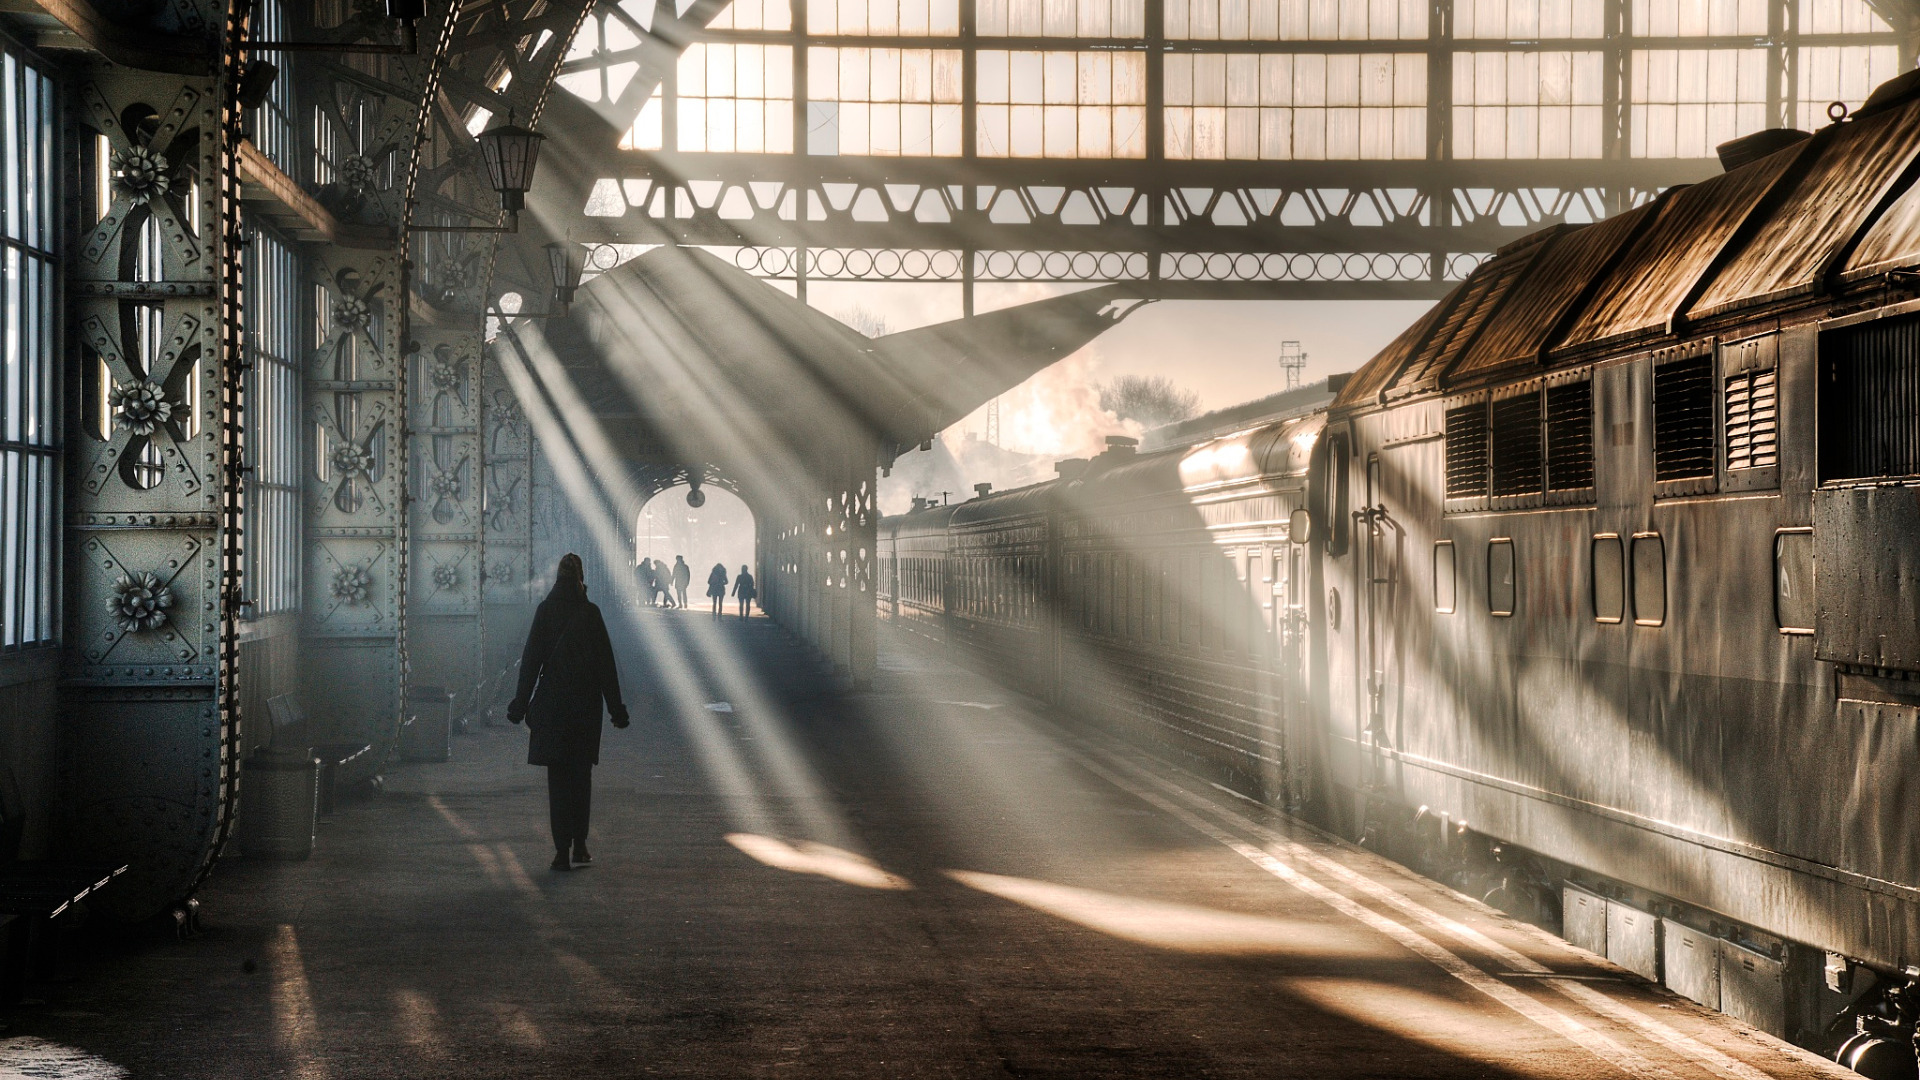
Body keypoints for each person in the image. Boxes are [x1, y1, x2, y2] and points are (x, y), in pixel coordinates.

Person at [507, 553, 629, 872]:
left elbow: (530, 662)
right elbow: (606, 668)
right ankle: (581, 846)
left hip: (552, 708)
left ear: (556, 578)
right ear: (580, 578)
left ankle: (560, 851)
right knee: (580, 779)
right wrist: (616, 710)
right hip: (584, 710)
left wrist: (520, 704)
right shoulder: (590, 614)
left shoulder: (545, 612)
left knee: (557, 781)